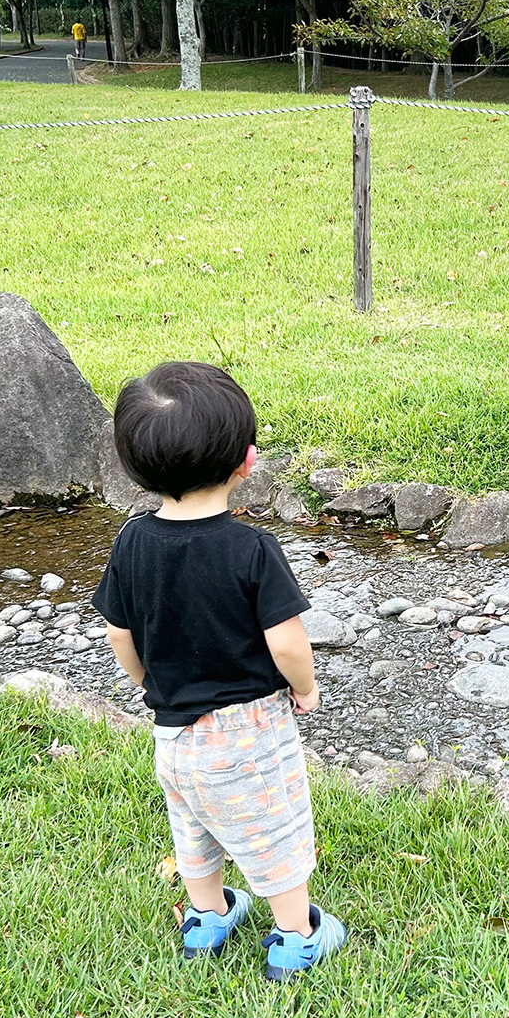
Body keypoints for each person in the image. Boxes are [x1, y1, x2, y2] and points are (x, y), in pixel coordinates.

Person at [94, 361, 347, 978]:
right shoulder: (251, 550)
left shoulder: (131, 540)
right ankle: (296, 933)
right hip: (247, 731)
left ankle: (207, 919)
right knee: (276, 831)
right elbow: (287, 642)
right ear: (247, 461)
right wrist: (305, 688)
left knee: (194, 826)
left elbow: (118, 633)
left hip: (173, 732)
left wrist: (145, 681)